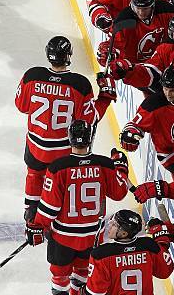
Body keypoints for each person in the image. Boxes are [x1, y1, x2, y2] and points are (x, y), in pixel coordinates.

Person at [25, 120, 128, 295]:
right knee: (82, 271)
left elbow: (49, 208)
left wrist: (37, 226)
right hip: (92, 235)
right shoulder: (104, 164)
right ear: (90, 138)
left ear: (69, 138)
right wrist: (120, 169)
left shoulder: (57, 168)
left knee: (59, 274)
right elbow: (119, 193)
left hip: (63, 236)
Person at [15, 35, 116, 221]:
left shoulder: (32, 76)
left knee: (34, 174)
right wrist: (105, 98)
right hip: (62, 149)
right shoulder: (79, 84)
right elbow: (90, 119)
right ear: (69, 55)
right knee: (58, 182)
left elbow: (21, 106)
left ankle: (31, 213)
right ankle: (57, 215)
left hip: (35, 145)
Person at [96, 0, 174, 68]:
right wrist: (106, 53)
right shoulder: (124, 21)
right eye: (138, 8)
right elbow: (113, 45)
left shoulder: (166, 11)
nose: (141, 13)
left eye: (145, 9)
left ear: (152, 6)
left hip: (162, 64)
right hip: (133, 68)